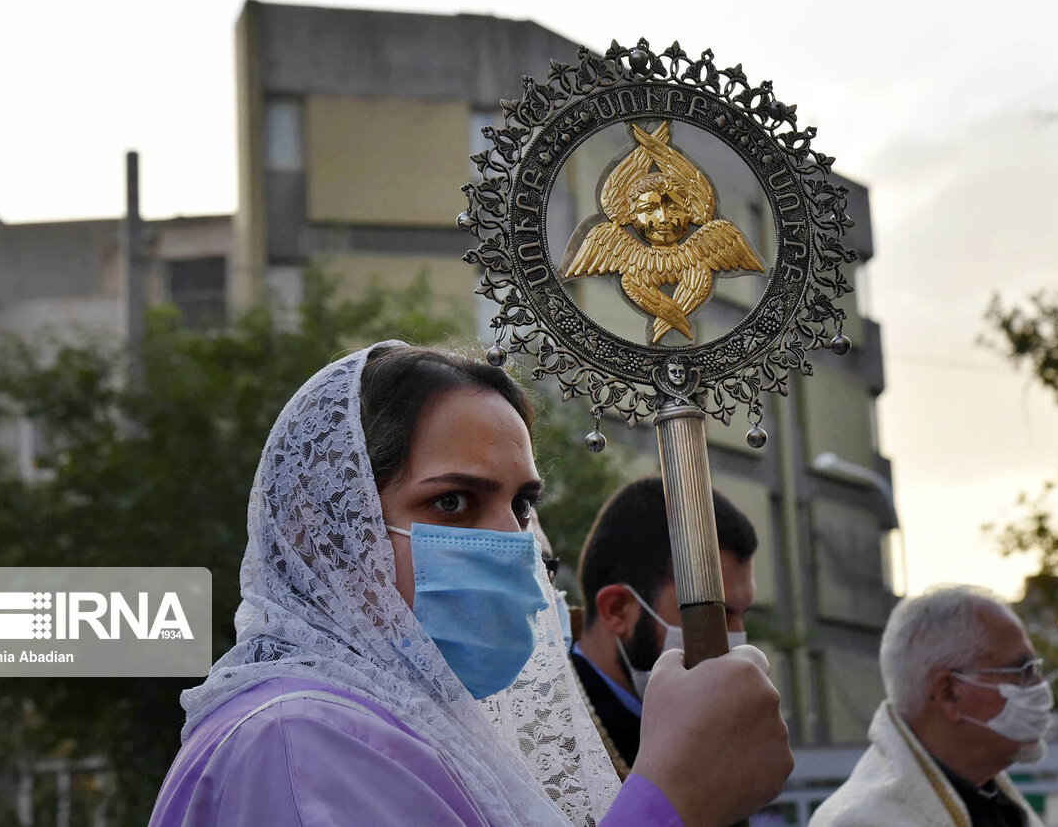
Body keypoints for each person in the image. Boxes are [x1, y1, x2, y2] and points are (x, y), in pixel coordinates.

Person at [148, 341, 792, 827]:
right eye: (453, 503)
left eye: (521, 504)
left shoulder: (424, 732)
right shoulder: (300, 738)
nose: (511, 541)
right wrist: (672, 801)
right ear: (324, 535)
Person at [809, 585, 1053, 827]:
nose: (1041, 686)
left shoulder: (993, 803)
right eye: (1022, 671)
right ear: (948, 693)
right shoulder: (861, 821)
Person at [572, 477, 758, 778]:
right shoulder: (544, 731)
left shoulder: (703, 728)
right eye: (717, 613)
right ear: (618, 610)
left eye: (742, 614)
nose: (735, 641)